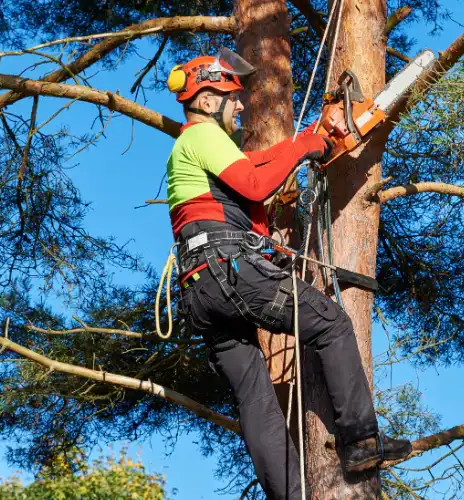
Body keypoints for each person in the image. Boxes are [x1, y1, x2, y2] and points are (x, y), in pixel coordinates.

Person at [165, 50, 412, 499]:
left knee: (254, 397)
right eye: (231, 97)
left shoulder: (194, 151)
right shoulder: (202, 136)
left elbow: (253, 180)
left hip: (201, 289)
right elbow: (258, 184)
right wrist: (304, 145)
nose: (240, 105)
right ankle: (361, 441)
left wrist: (303, 144)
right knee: (333, 324)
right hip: (227, 270)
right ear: (204, 102)